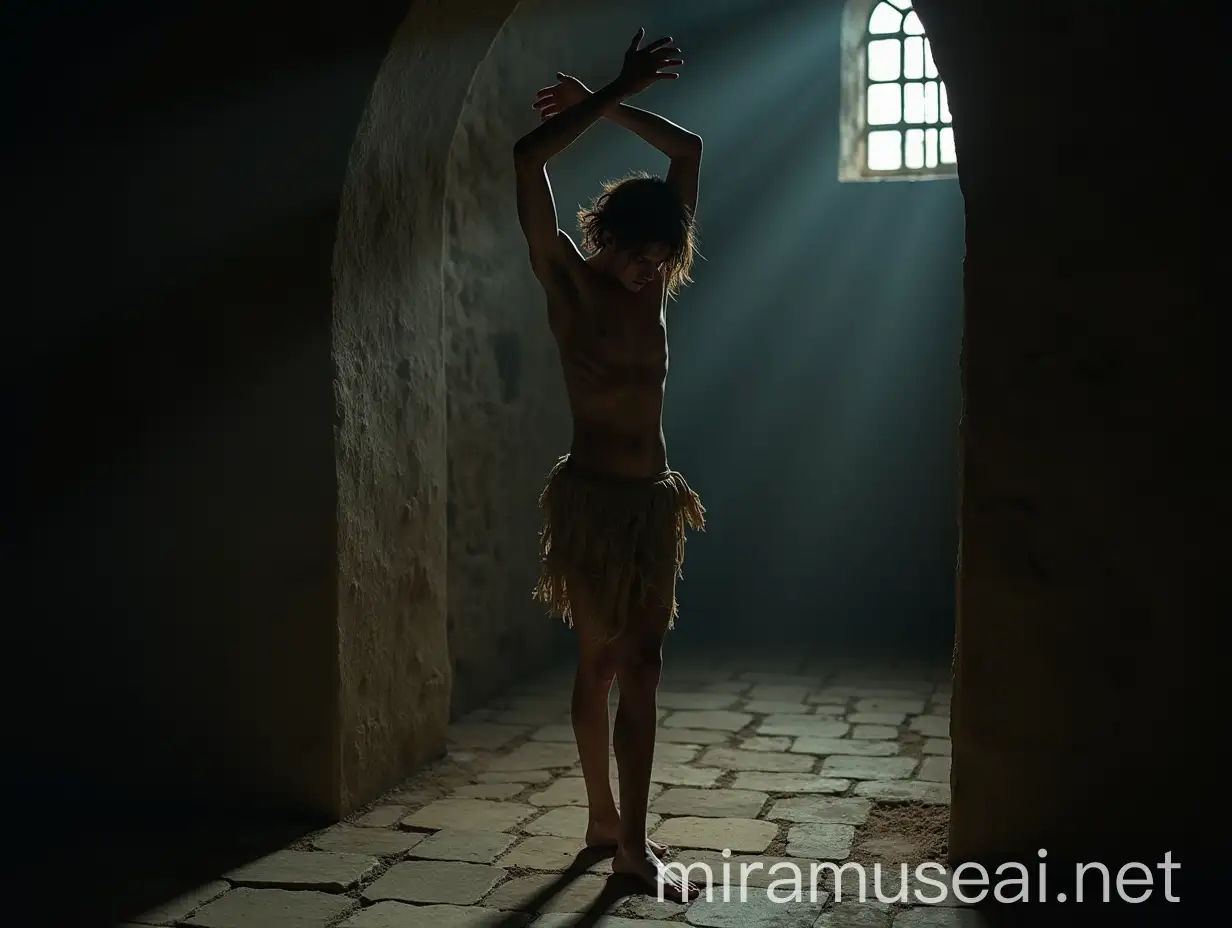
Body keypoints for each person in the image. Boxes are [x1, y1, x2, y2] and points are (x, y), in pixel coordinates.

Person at [512, 28, 705, 902]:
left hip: (653, 503)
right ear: (607, 237)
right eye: (640, 255)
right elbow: (527, 160)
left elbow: (688, 150)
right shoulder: (571, 285)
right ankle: (606, 825)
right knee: (601, 664)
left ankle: (634, 840)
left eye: (664, 258)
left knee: (647, 665)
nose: (652, 271)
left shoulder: (654, 281)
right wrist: (603, 92)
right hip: (591, 503)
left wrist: (616, 94)